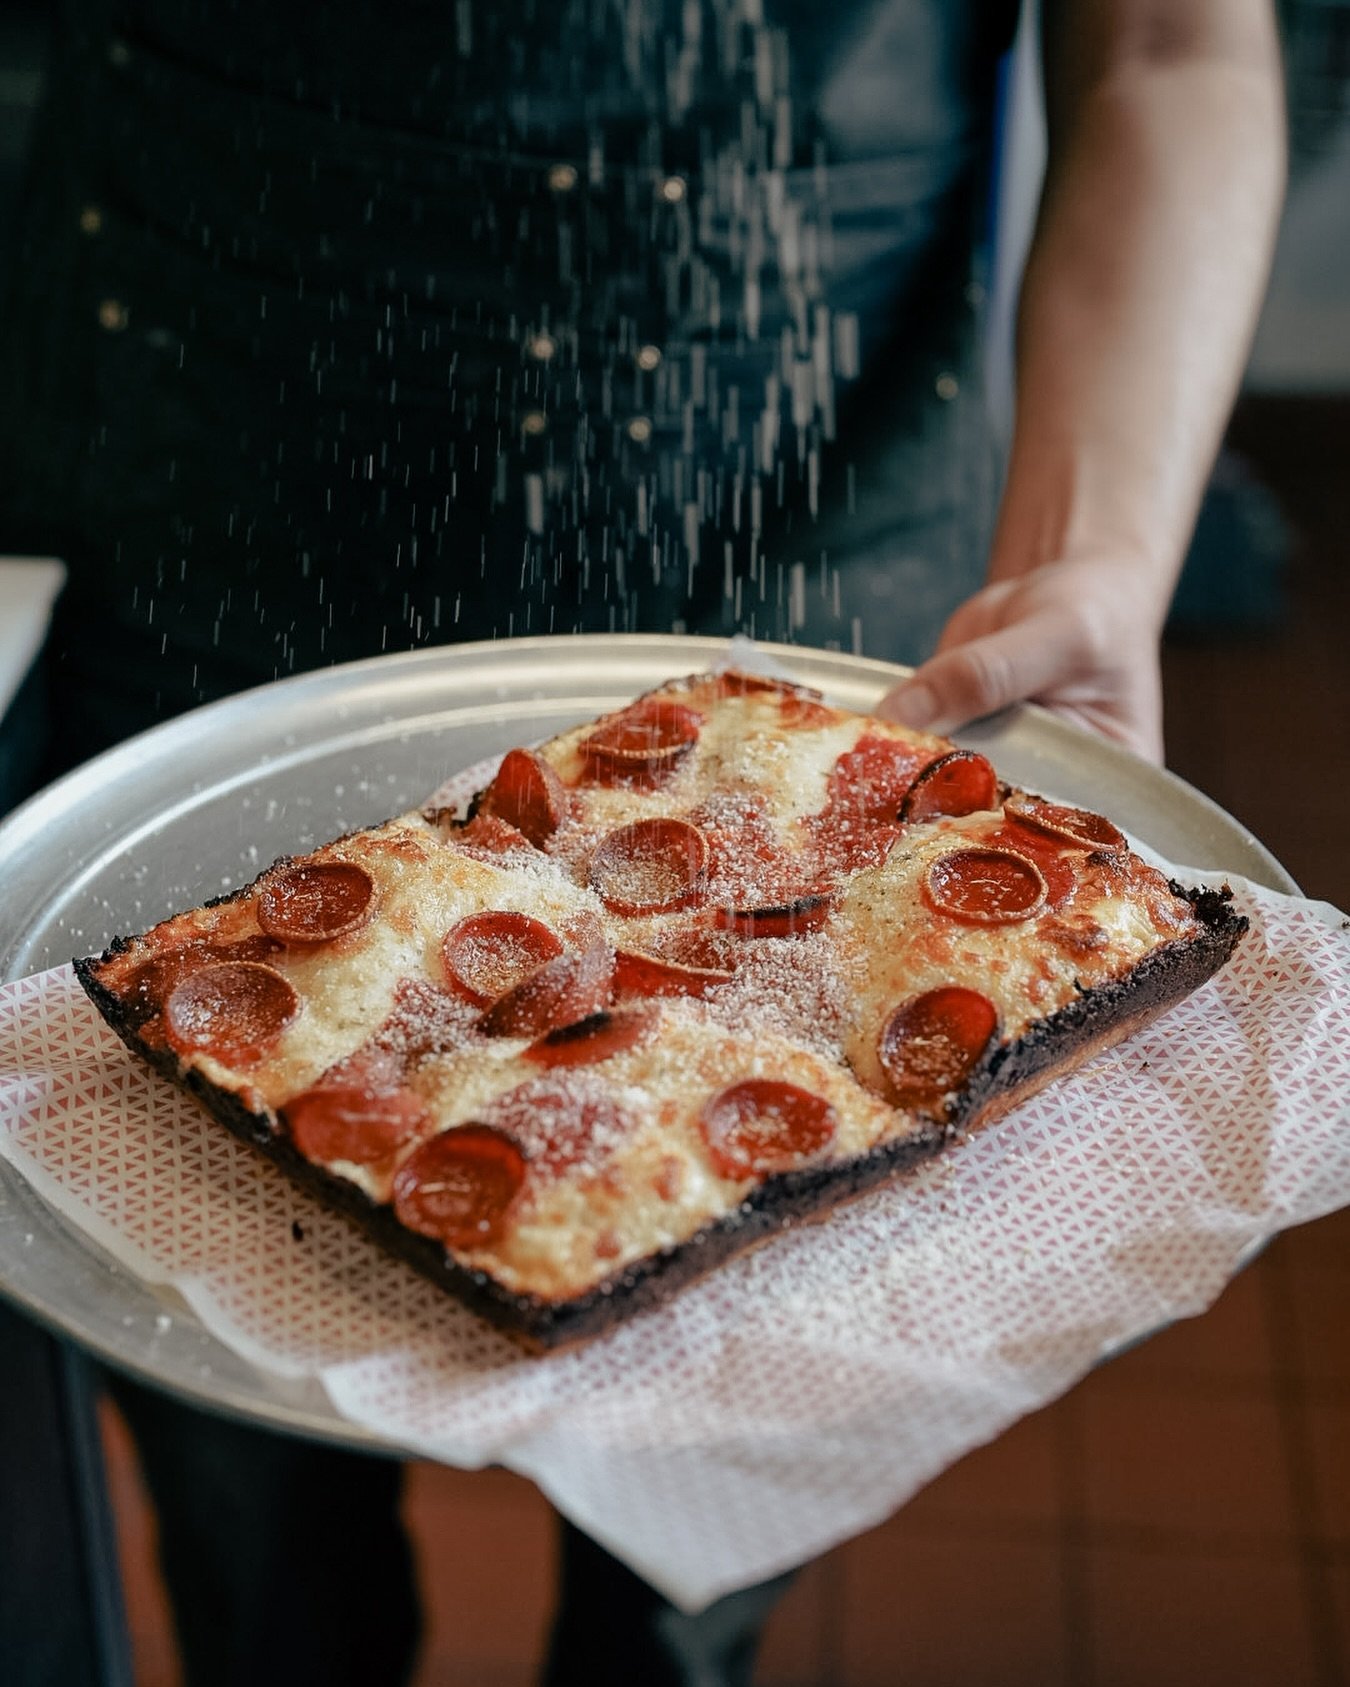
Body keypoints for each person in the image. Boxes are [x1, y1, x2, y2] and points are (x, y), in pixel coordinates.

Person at [0, 1, 1284, 1684]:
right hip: (198, 448)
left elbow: (1171, 44)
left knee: (695, 1553)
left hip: (808, 522)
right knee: (247, 1496)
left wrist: (1094, 551)